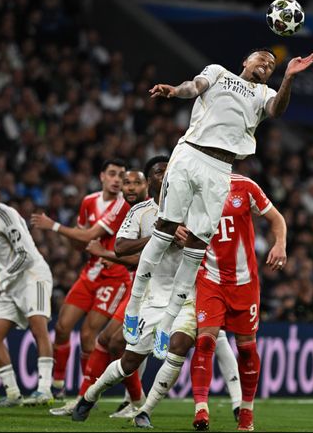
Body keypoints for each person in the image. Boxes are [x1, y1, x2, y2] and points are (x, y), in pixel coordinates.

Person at [123, 47, 313, 359]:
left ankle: (166, 325)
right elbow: (194, 86)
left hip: (220, 168)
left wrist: (289, 78)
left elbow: (277, 109)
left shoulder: (265, 93)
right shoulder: (218, 72)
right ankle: (133, 308)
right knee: (166, 228)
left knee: (197, 246)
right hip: (190, 153)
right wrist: (175, 91)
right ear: (245, 60)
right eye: (261, 58)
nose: (266, 64)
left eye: (271, 64)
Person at [70, 167, 246, 426]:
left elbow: (214, 245)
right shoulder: (141, 212)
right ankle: (90, 395)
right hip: (152, 297)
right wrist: (161, 234)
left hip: (187, 296)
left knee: (180, 346)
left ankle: (145, 411)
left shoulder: (195, 208)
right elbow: (120, 247)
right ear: (149, 181)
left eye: (169, 170)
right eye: (158, 172)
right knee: (129, 362)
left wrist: (192, 240)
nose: (165, 175)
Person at [30, 160, 144, 399]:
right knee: (62, 327)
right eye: (112, 174)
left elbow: (90, 234)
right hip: (90, 272)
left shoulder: (124, 204)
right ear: (102, 176)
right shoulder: (88, 202)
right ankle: (58, 386)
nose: (117, 180)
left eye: (121, 176)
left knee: (87, 335)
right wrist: (78, 240)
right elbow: (80, 240)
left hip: (115, 276)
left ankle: (87, 393)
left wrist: (54, 226)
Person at [189, 174, 286, 431]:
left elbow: (277, 218)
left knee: (246, 348)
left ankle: (246, 411)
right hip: (210, 279)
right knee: (205, 340)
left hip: (245, 283)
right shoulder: (192, 187)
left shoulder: (245, 186)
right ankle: (201, 408)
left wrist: (280, 244)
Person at [0, 175, 54, 407]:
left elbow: (26, 255)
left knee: (38, 328)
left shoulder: (6, 215)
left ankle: (44, 390)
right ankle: (12, 394)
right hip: (11, 283)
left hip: (33, 276)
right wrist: (3, 277)